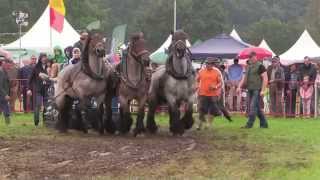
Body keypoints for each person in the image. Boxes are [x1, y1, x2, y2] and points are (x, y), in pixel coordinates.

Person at [237, 52, 268, 129]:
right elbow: (244, 78)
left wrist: (263, 90)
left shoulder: (260, 66)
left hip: (257, 89)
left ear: (255, 57)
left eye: (252, 57)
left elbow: (265, 78)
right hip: (250, 89)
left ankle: (249, 124)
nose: (251, 58)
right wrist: (239, 87)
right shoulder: (248, 67)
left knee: (253, 107)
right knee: (256, 108)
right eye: (250, 57)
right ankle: (264, 124)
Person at [196, 57, 223, 130]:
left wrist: (216, 86)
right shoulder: (201, 71)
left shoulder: (216, 72)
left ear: (212, 64)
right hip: (203, 94)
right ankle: (199, 125)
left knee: (212, 110)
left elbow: (220, 83)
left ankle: (208, 124)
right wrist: (197, 87)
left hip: (213, 95)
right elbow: (197, 80)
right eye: (207, 63)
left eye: (209, 63)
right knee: (202, 109)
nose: (208, 65)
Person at [27, 53, 51, 126]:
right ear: (40, 58)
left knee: (47, 106)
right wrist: (29, 89)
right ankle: (36, 121)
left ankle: (45, 121)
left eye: (45, 57)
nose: (44, 59)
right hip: (38, 89)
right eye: (42, 57)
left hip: (47, 89)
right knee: (38, 105)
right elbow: (30, 79)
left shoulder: (49, 67)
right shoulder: (36, 67)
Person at [0, 58, 11, 125]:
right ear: (3, 64)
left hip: (3, 94)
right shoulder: (1, 72)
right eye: (7, 65)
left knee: (5, 108)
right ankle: (8, 124)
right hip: (2, 94)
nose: (9, 67)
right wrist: (5, 95)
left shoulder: (4, 71)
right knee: (6, 109)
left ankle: (8, 124)